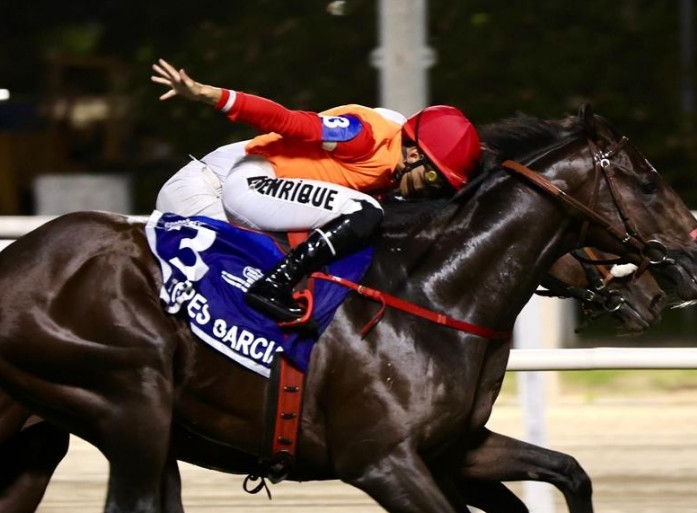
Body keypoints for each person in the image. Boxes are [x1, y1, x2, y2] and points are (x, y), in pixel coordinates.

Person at [151, 58, 482, 323]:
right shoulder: (361, 137)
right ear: (413, 153)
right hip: (211, 190)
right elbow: (287, 120)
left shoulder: (395, 163)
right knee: (364, 212)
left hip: (243, 185)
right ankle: (273, 286)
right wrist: (210, 95)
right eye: (435, 178)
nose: (431, 190)